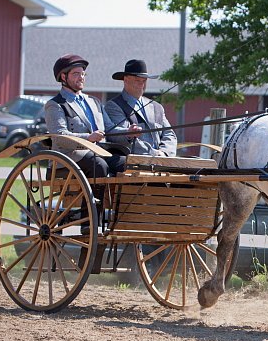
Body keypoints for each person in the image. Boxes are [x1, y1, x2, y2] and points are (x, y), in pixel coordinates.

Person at [44, 54, 129, 234]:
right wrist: (88, 138)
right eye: (76, 74)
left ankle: (121, 217)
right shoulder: (55, 105)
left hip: (98, 152)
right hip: (70, 156)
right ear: (63, 77)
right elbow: (59, 136)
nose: (81, 77)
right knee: (98, 163)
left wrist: (128, 132)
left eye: (83, 74)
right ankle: (90, 221)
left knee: (125, 163)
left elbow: (109, 129)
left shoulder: (94, 102)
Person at [105, 59, 177, 157]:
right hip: (133, 162)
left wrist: (164, 153)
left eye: (144, 80)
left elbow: (169, 134)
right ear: (126, 80)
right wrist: (153, 154)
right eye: (137, 80)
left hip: (163, 161)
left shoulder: (157, 107)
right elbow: (124, 139)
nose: (142, 84)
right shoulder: (114, 106)